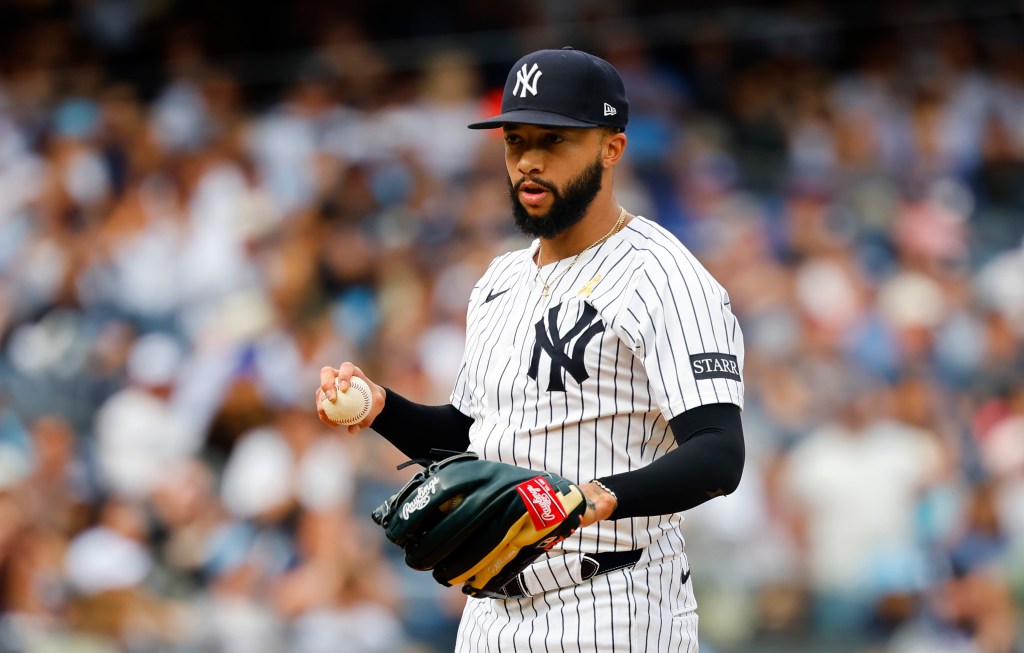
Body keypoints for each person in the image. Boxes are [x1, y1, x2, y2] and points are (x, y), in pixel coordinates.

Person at [315, 46, 746, 652]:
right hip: (491, 615)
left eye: (555, 140)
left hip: (614, 602)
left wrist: (595, 498)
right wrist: (381, 407)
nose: (530, 162)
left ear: (611, 147)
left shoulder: (666, 277)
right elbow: (470, 439)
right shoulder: (500, 281)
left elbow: (719, 453)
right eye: (516, 141)